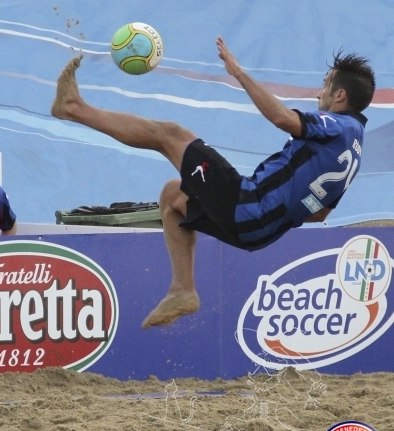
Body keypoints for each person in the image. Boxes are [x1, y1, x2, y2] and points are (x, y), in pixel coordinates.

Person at [50, 37, 375, 329]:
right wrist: (276, 213)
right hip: (260, 230)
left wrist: (239, 73)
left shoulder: (338, 125)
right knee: (173, 196)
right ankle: (182, 290)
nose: (319, 92)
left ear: (340, 95)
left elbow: (282, 118)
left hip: (249, 206)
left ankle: (73, 108)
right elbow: (320, 213)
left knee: (170, 135)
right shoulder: (354, 147)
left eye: (325, 85)